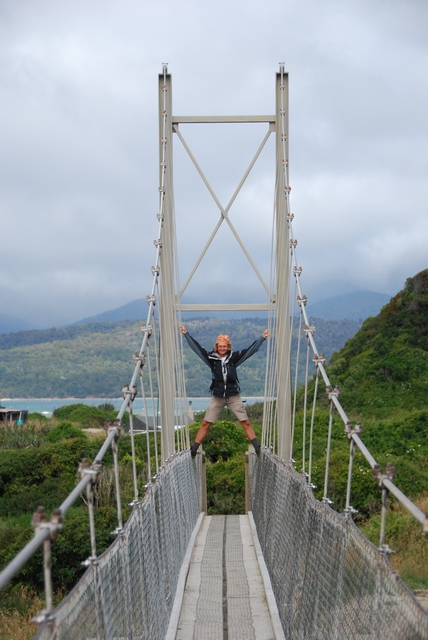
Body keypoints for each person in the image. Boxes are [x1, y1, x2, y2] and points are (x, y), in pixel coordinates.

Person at [179, 325, 270, 457]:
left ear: (228, 347)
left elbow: (250, 350)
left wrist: (262, 338)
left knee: (245, 422)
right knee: (206, 423)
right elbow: (197, 349)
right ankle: (194, 448)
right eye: (220, 346)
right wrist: (186, 334)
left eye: (225, 346)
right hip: (218, 396)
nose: (222, 348)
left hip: (233, 395)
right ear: (217, 346)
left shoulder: (233, 358)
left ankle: (257, 448)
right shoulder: (211, 359)